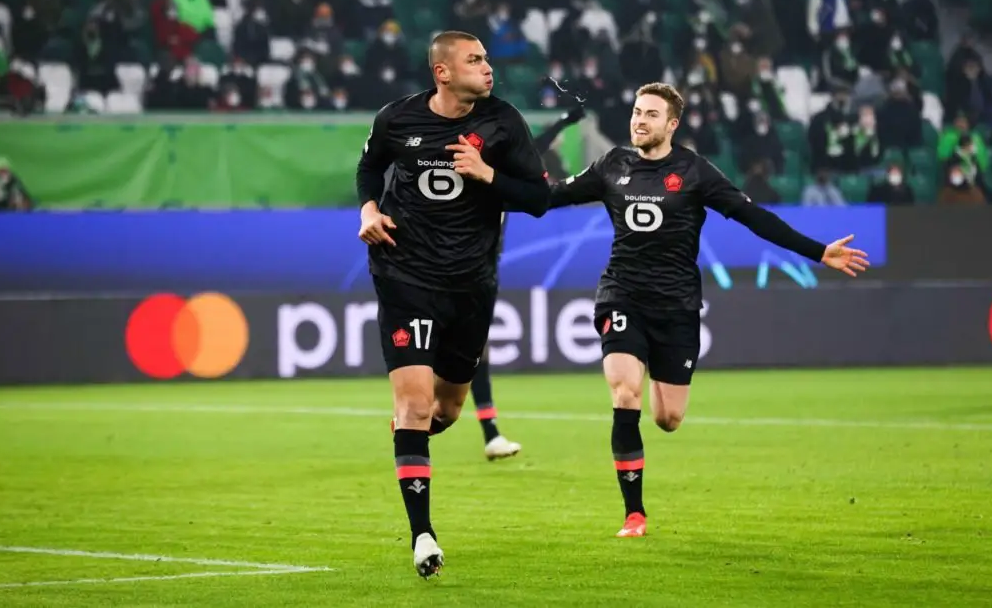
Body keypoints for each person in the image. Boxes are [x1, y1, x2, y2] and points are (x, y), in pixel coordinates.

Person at [547, 82, 870, 539]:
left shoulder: (694, 171)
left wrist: (817, 251)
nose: (640, 120)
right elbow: (549, 196)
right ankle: (634, 514)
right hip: (621, 295)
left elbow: (754, 218)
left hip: (677, 305)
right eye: (637, 111)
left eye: (651, 114)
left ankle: (653, 378)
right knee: (625, 391)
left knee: (668, 419)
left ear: (672, 125)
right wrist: (489, 179)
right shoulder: (612, 165)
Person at [355, 30, 550, 578]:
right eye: (474, 59)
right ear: (442, 72)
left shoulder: (504, 122)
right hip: (404, 274)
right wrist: (368, 210)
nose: (488, 67)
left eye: (486, 58)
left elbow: (540, 198)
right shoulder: (397, 118)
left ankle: (409, 436)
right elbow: (369, 169)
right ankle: (423, 536)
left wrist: (488, 175)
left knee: (445, 411)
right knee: (415, 406)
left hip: (470, 285)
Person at [470, 103, 586, 461]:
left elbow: (535, 147)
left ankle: (489, 433)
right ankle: (417, 414)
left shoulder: (502, 174)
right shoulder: (468, 169)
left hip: (484, 272)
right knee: (453, 354)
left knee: (475, 351)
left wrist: (564, 121)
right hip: (451, 269)